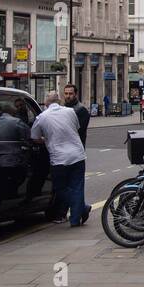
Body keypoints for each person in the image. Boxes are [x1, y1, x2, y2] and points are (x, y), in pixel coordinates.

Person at [31, 90, 91, 227]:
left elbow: (34, 137)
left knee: (60, 188)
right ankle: (77, 218)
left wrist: (45, 139)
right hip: (77, 155)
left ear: (46, 102)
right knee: (77, 187)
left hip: (58, 158)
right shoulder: (70, 112)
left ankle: (82, 209)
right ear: (58, 101)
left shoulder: (42, 117)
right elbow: (76, 127)